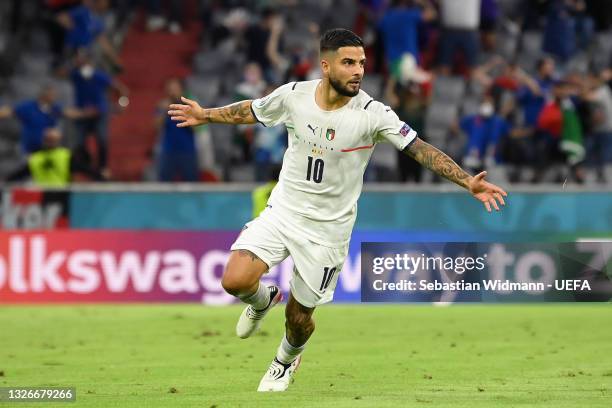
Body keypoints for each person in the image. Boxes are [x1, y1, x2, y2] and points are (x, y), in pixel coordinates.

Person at [168, 28, 507, 392]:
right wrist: (206, 115)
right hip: (284, 211)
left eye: (361, 63)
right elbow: (250, 111)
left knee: (298, 318)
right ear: (326, 65)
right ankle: (262, 298)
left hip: (328, 230)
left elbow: (419, 149)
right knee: (234, 280)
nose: (358, 70)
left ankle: (284, 360)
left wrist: (466, 181)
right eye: (348, 63)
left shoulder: (374, 114)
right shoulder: (294, 96)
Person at [0, 84, 93, 154]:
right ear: (44, 95)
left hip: (48, 148)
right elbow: (9, 112)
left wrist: (84, 113)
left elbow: (69, 113)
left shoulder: (55, 108)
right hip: (30, 147)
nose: (54, 97)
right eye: (52, 95)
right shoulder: (28, 107)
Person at [5, 127, 106, 187]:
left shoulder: (65, 155)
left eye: (52, 139)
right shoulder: (36, 157)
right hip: (43, 193)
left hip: (61, 193)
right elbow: (22, 172)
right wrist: (6, 179)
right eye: (49, 139)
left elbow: (83, 168)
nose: (51, 142)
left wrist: (100, 176)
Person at [155, 78, 199, 182]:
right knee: (164, 184)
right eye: (170, 89)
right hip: (168, 150)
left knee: (192, 183)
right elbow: (156, 126)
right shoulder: (163, 106)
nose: (173, 92)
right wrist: (164, 111)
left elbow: (196, 128)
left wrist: (185, 113)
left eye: (175, 89)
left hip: (187, 150)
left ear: (182, 90)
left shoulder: (190, 107)